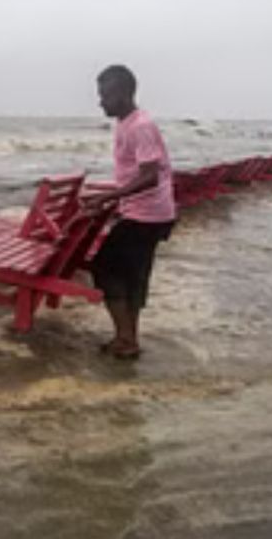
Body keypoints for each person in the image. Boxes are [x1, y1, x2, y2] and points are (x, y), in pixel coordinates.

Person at [83, 65, 176, 359]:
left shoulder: (140, 126)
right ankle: (127, 338)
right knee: (132, 276)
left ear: (123, 93)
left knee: (105, 269)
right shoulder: (128, 123)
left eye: (105, 95)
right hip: (149, 212)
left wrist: (111, 196)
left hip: (146, 215)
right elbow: (133, 173)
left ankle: (126, 339)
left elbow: (150, 176)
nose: (101, 102)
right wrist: (108, 195)